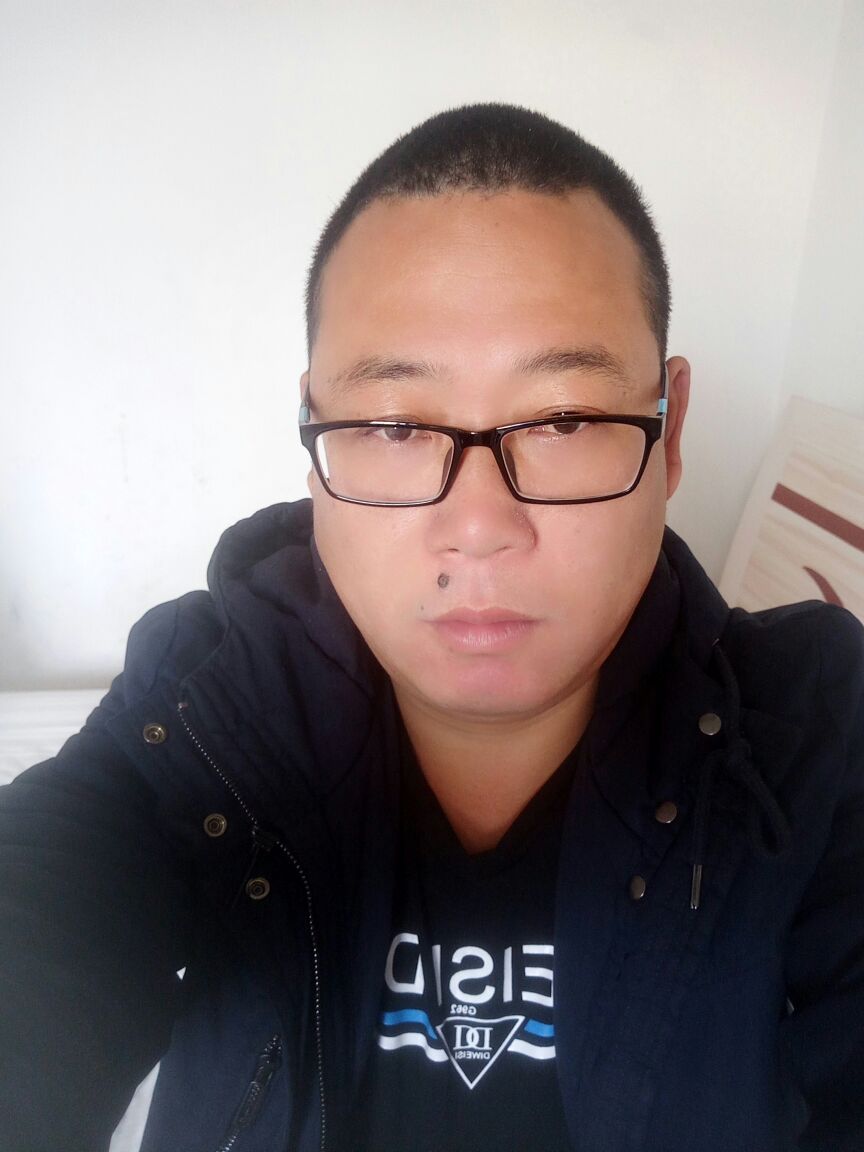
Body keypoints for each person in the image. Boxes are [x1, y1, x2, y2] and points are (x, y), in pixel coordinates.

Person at [1, 103, 862, 1152]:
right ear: (313, 429)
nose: (480, 527)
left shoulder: (817, 739)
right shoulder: (205, 702)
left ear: (670, 429)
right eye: (395, 425)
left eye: (564, 419)